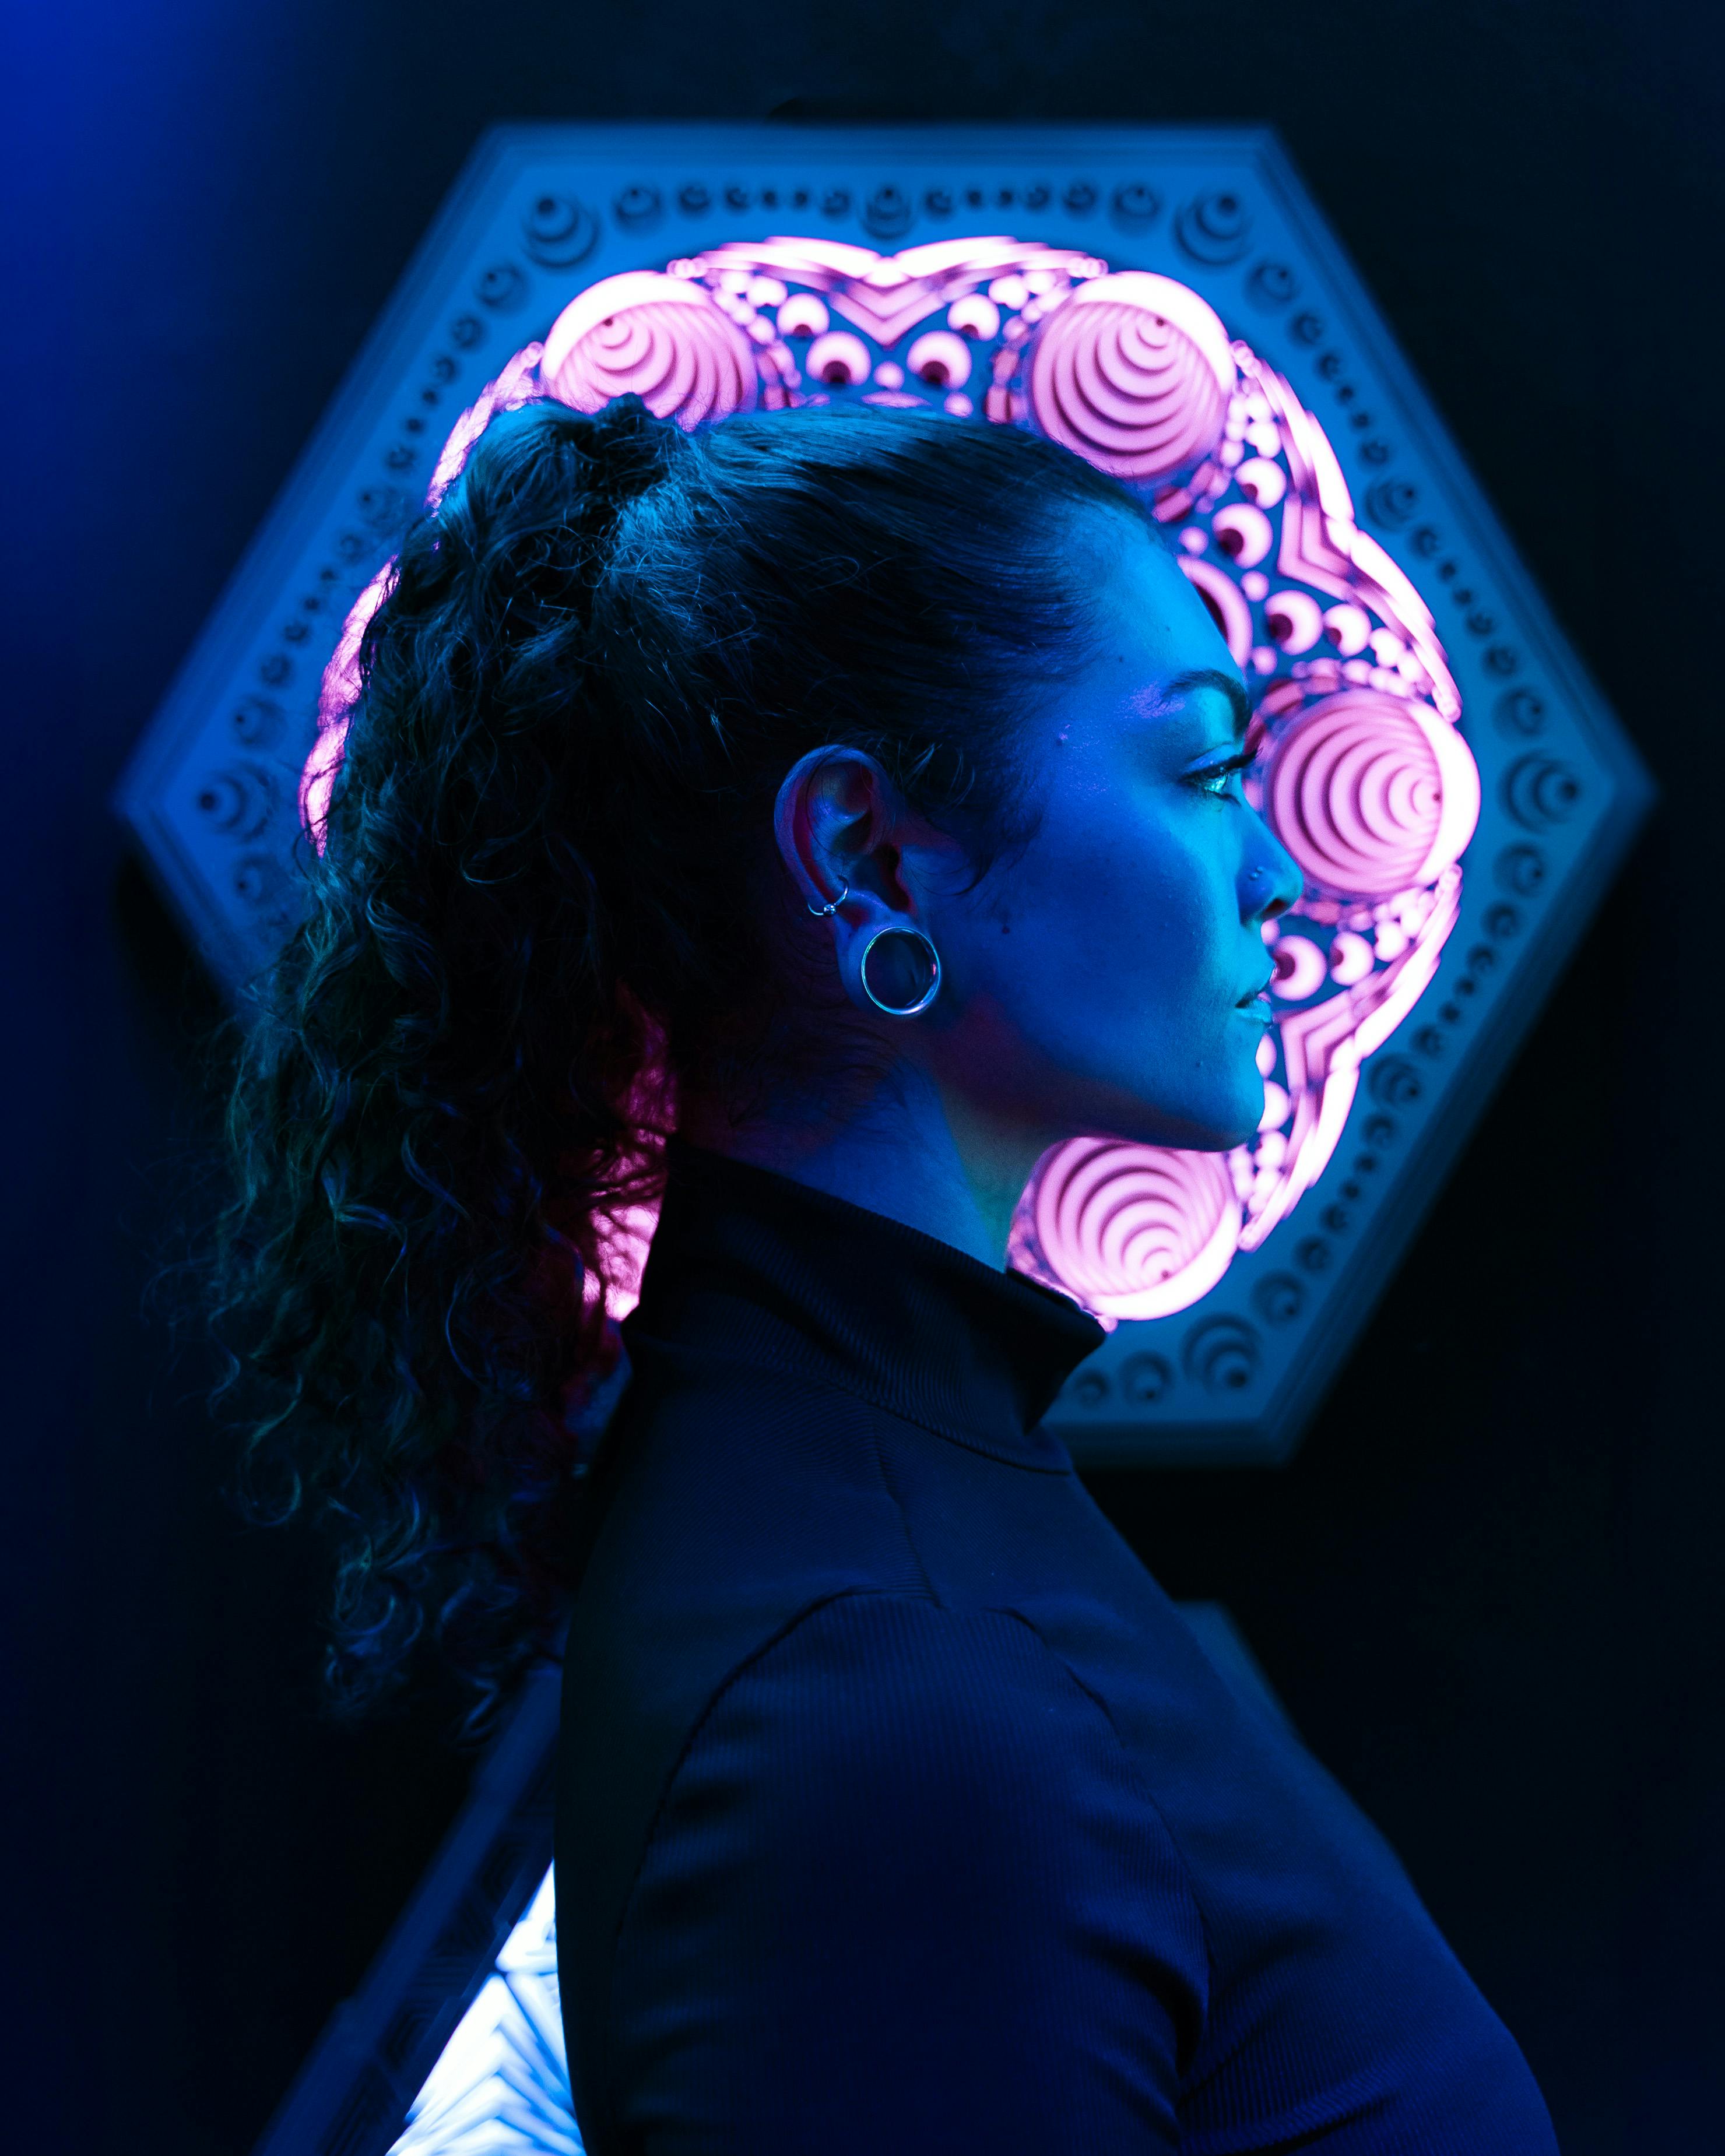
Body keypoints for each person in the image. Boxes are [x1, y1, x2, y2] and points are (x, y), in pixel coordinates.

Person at [216, 392, 1558, 2150]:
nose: (1288, 866)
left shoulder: (858, 1513)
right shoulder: (887, 1683)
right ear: (866, 855)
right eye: (1207, 765)